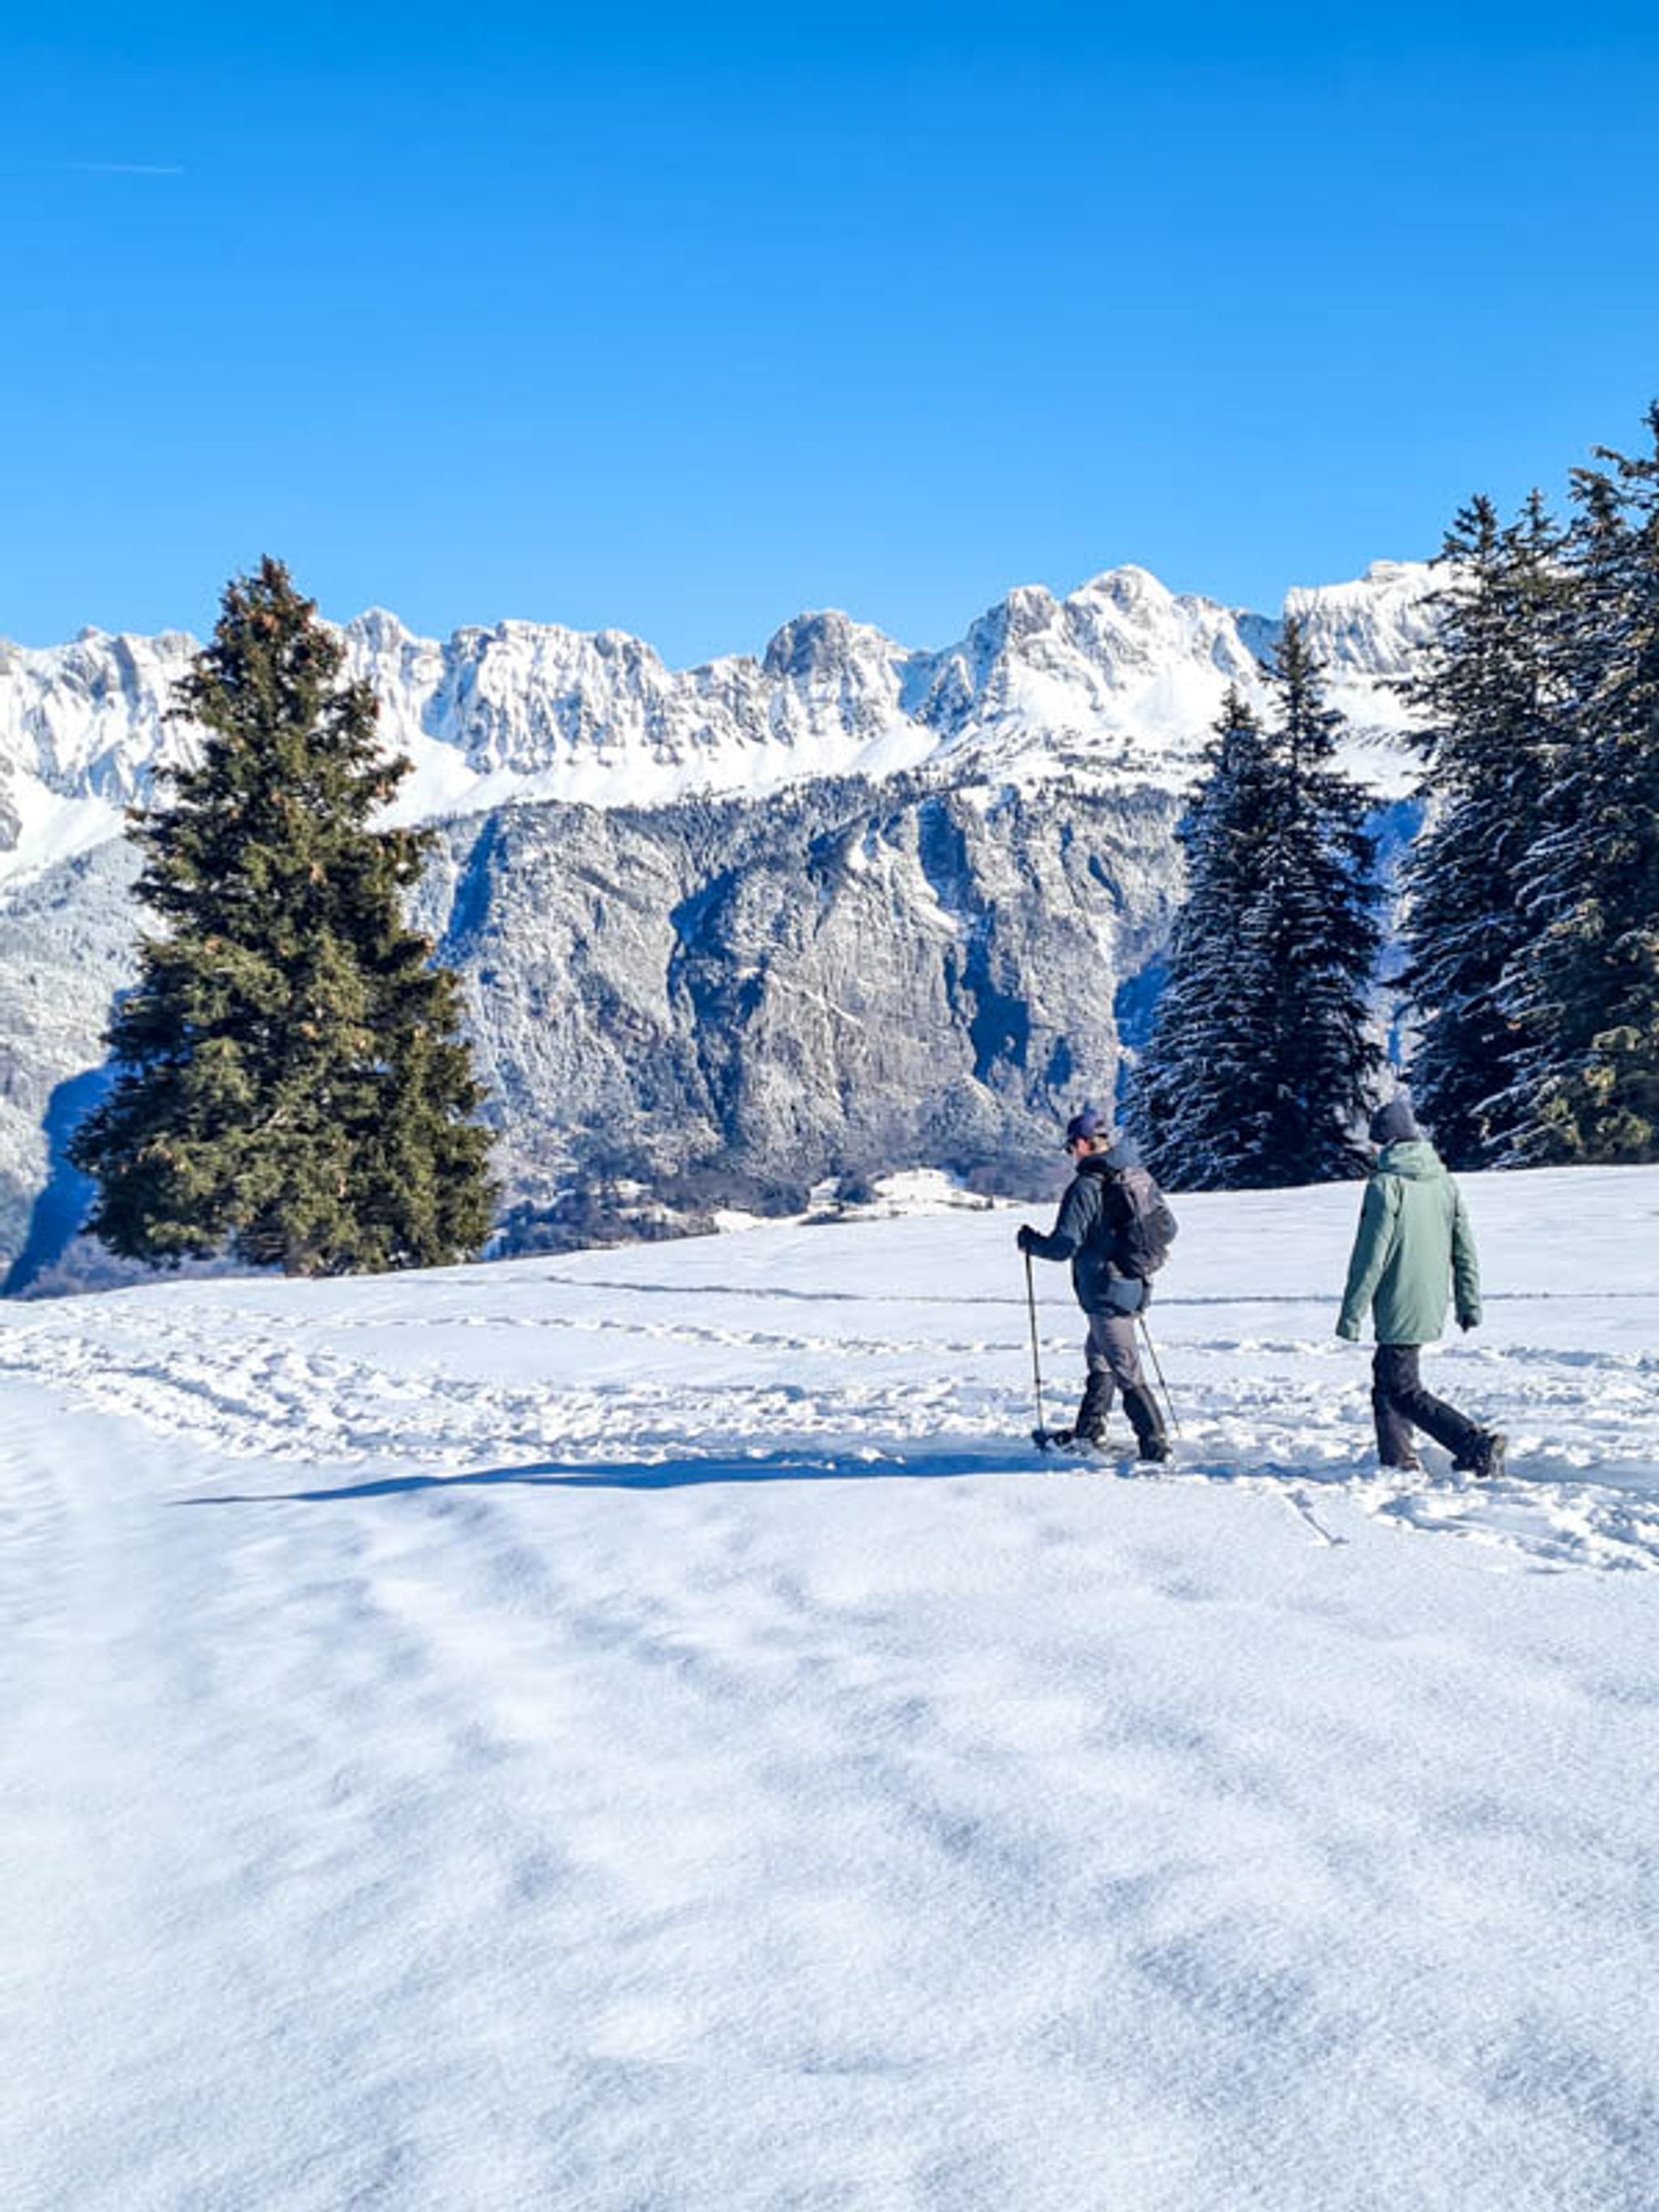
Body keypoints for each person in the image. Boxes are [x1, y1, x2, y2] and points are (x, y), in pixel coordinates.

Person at [1337, 1095, 1507, 1479]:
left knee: (1403, 1389)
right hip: (1432, 1298)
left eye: (1377, 1143)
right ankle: (1397, 1462)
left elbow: (1370, 1255)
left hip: (1399, 1298)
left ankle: (1474, 1443)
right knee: (1387, 1380)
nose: (1374, 1150)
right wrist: (1468, 1301)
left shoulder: (1386, 1185)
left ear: (1389, 1142)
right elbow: (1464, 1247)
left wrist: (1352, 1314)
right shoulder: (1444, 1182)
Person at [1017, 1107, 1175, 1460]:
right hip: (1135, 1284)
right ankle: (1089, 1431)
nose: (1071, 1153)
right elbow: (1169, 1228)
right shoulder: (1134, 1175)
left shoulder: (1086, 1187)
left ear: (1085, 1144)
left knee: (1125, 1367)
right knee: (1099, 1356)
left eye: (1071, 1146)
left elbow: (1063, 1246)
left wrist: (1031, 1243)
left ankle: (1155, 1443)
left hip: (1106, 1291)